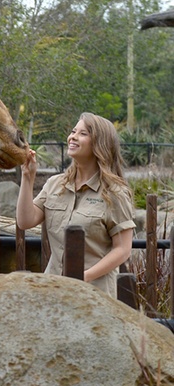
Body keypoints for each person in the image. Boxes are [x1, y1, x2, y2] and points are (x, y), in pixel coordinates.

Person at [16, 112, 135, 297]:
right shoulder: (55, 184)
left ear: (99, 143)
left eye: (83, 133)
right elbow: (25, 221)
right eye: (73, 131)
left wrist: (83, 277)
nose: (73, 137)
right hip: (54, 290)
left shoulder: (115, 193)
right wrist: (27, 177)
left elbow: (122, 249)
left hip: (96, 294)